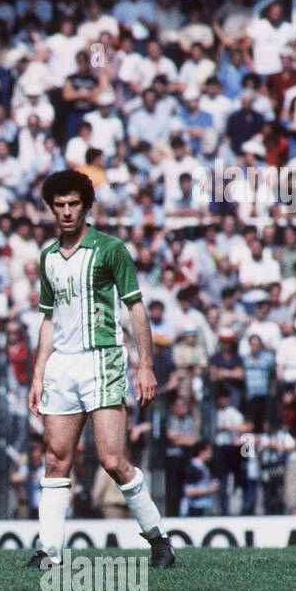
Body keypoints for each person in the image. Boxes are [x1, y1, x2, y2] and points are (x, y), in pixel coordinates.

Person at [26, 169, 175, 569]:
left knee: (112, 460)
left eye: (74, 204)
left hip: (102, 358)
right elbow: (47, 319)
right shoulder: (48, 257)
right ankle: (49, 553)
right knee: (56, 460)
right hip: (62, 364)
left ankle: (158, 538)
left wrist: (146, 365)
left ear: (87, 206)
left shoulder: (110, 249)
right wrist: (38, 374)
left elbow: (136, 307)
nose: (67, 212)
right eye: (59, 206)